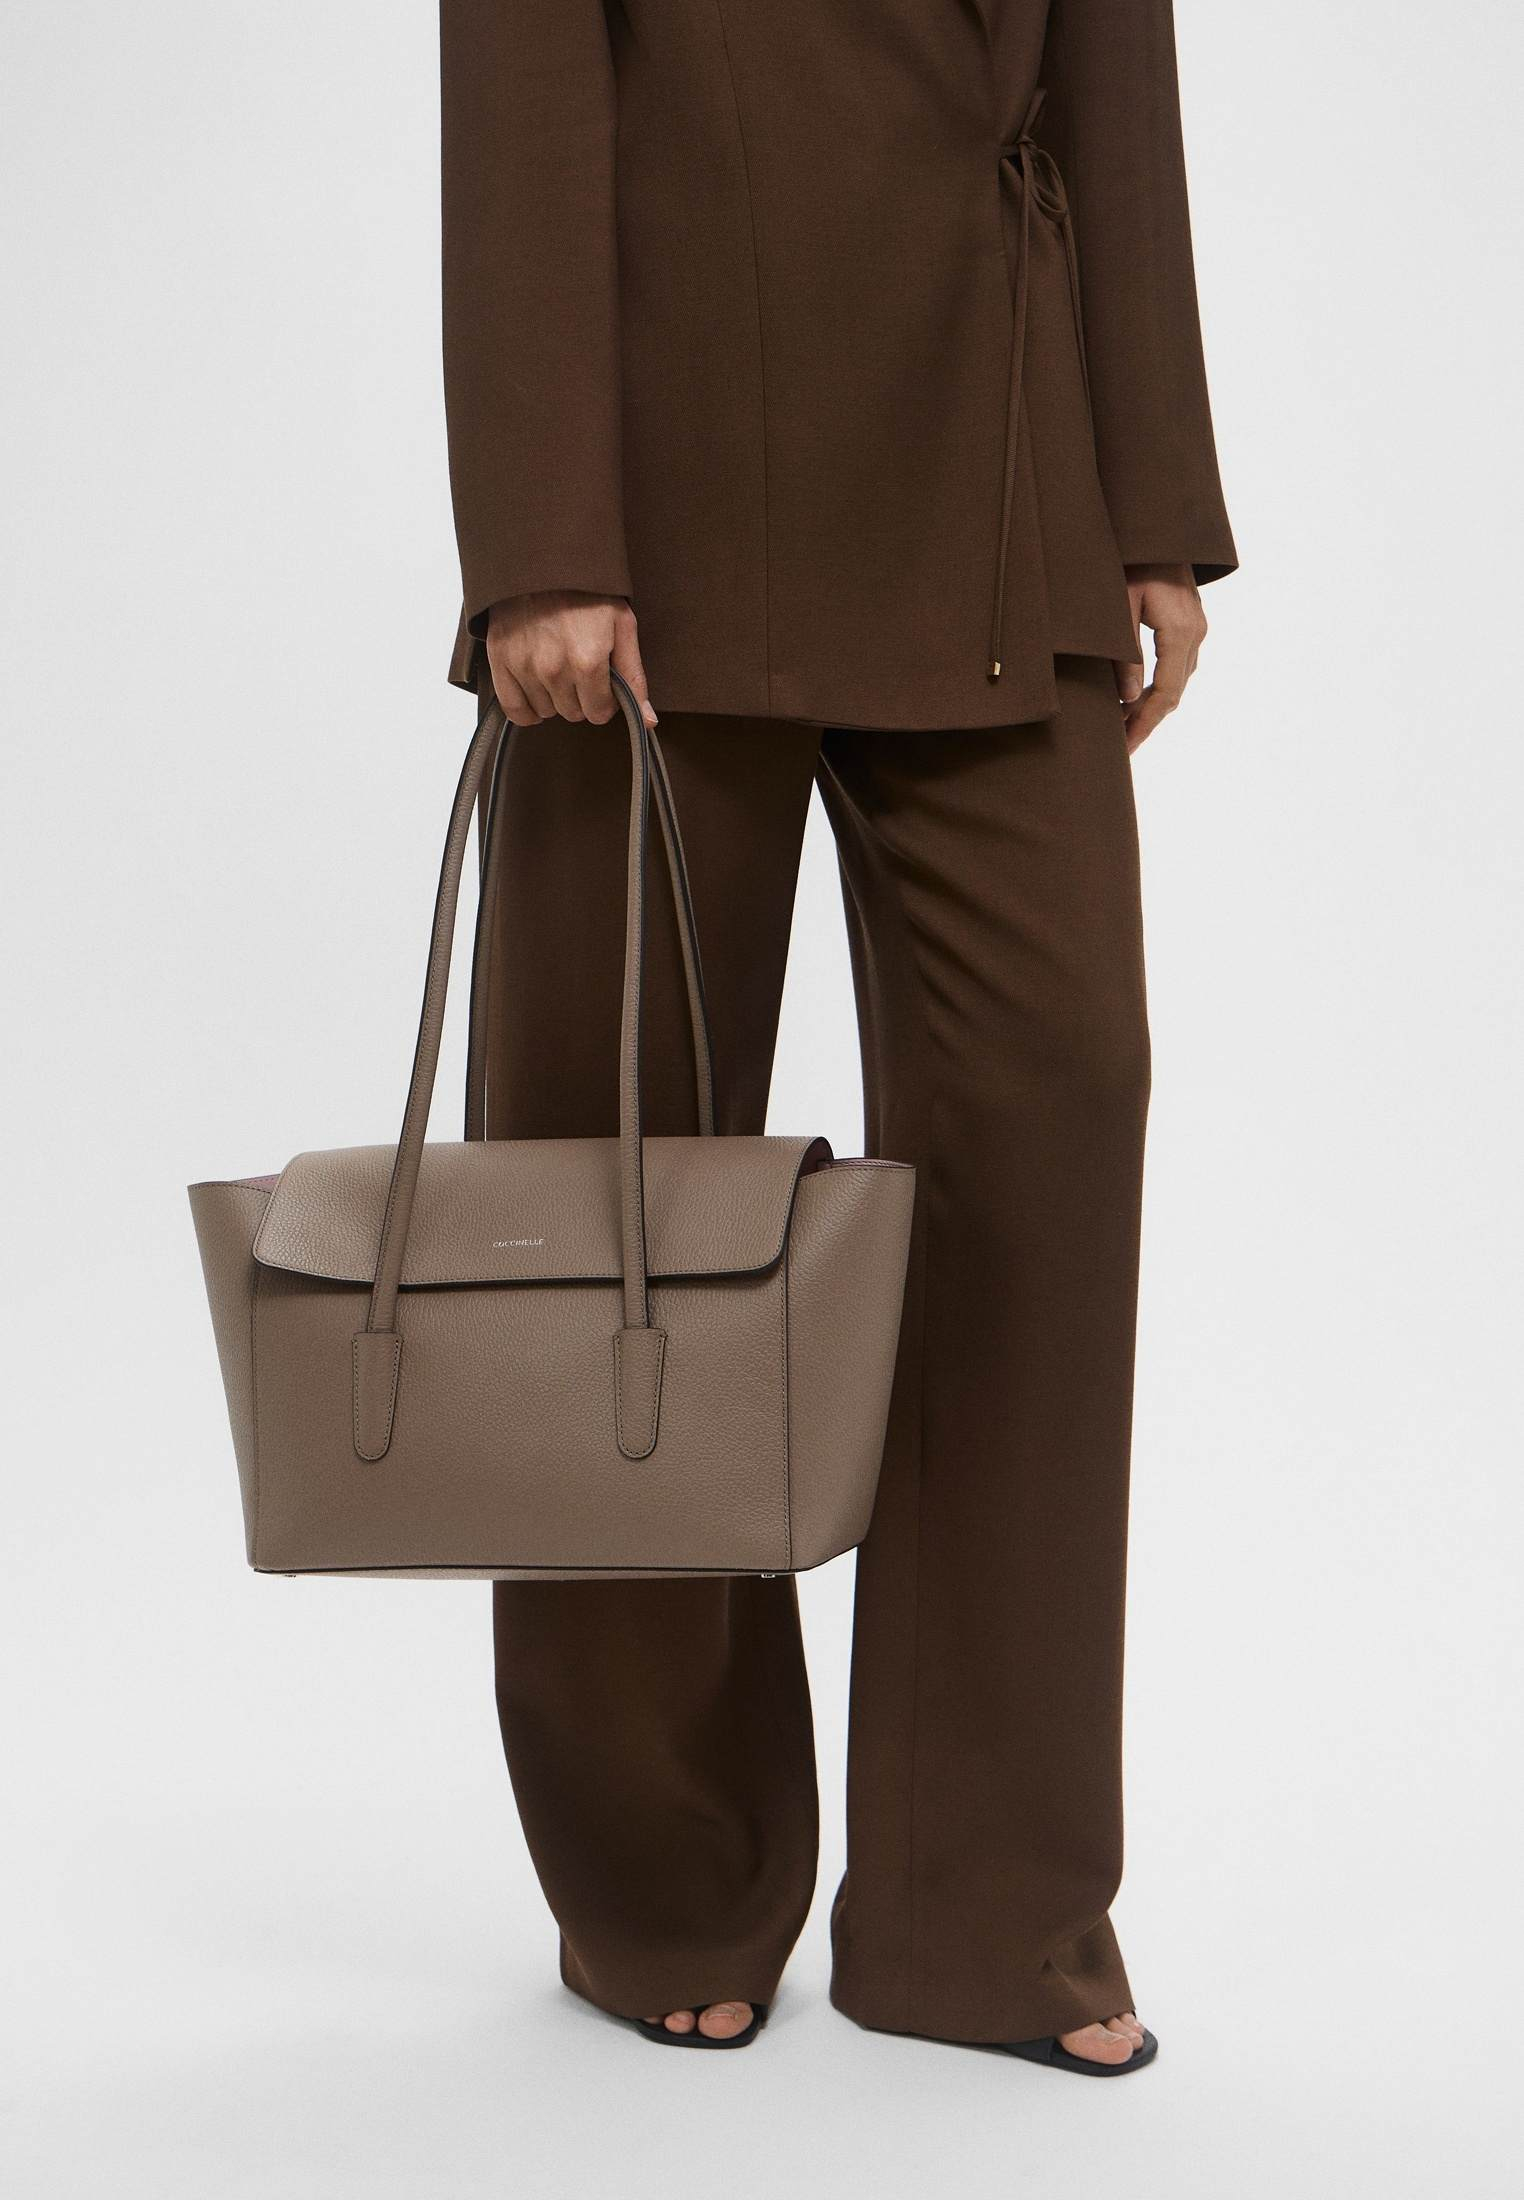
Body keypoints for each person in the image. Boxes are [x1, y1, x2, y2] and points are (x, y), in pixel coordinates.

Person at [439, 0, 1235, 2073]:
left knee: (1056, 1104)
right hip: (659, 491)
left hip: (999, 455)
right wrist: (542, 534)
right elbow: (522, 74)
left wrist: (1149, 492)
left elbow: (1112, 65)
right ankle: (662, 1873)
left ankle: (987, 1903)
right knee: (612, 1185)